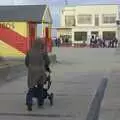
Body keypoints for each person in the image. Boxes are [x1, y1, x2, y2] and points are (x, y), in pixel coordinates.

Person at [25, 38, 50, 111]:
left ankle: (29, 102)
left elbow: (26, 62)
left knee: (31, 88)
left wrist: (30, 67)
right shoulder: (43, 52)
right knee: (40, 88)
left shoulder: (29, 51)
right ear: (41, 44)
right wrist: (46, 66)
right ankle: (40, 103)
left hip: (32, 72)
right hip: (41, 72)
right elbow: (48, 61)